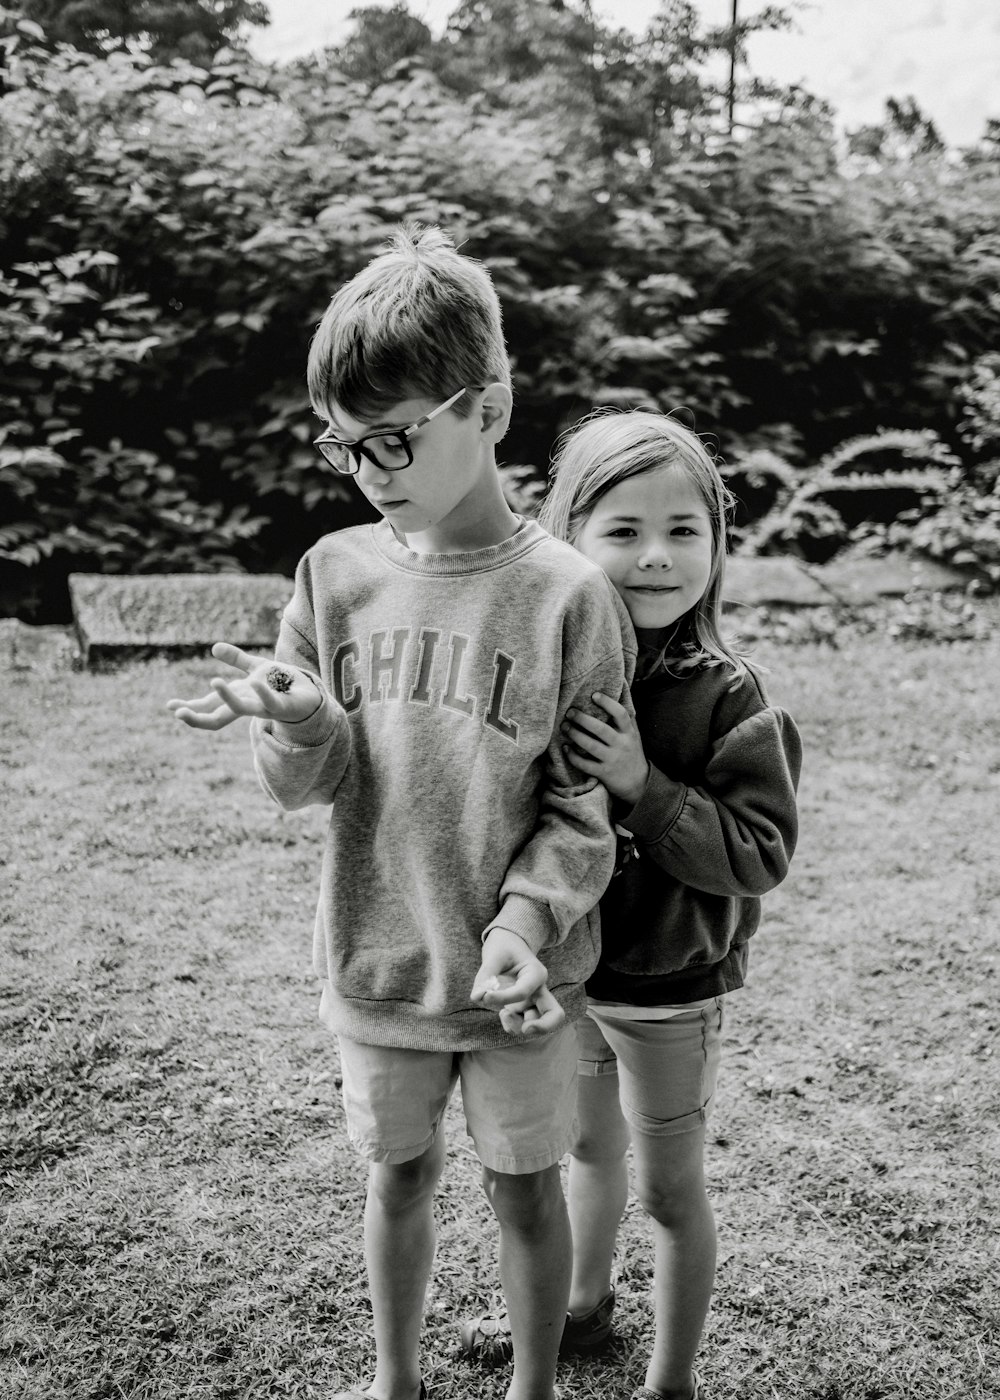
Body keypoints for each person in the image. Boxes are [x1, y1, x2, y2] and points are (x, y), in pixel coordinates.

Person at [167, 225, 635, 1400]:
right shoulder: (331, 574)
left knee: (524, 1187)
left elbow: (584, 807)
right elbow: (300, 788)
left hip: (517, 984)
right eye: (345, 445)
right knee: (397, 1175)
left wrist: (525, 928)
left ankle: (534, 1387)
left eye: (395, 436)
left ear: (489, 407)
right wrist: (302, 723)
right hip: (377, 962)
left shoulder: (569, 596)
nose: (370, 467)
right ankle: (395, 1381)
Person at [462, 410, 801, 1400]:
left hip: (671, 988)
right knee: (586, 1154)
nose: (656, 555)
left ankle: (670, 1379)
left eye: (682, 529)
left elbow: (757, 851)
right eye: (621, 531)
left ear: (716, 543)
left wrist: (641, 782)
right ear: (568, 536)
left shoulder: (730, 697)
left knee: (667, 1187)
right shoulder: (555, 672)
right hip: (574, 975)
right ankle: (583, 1305)